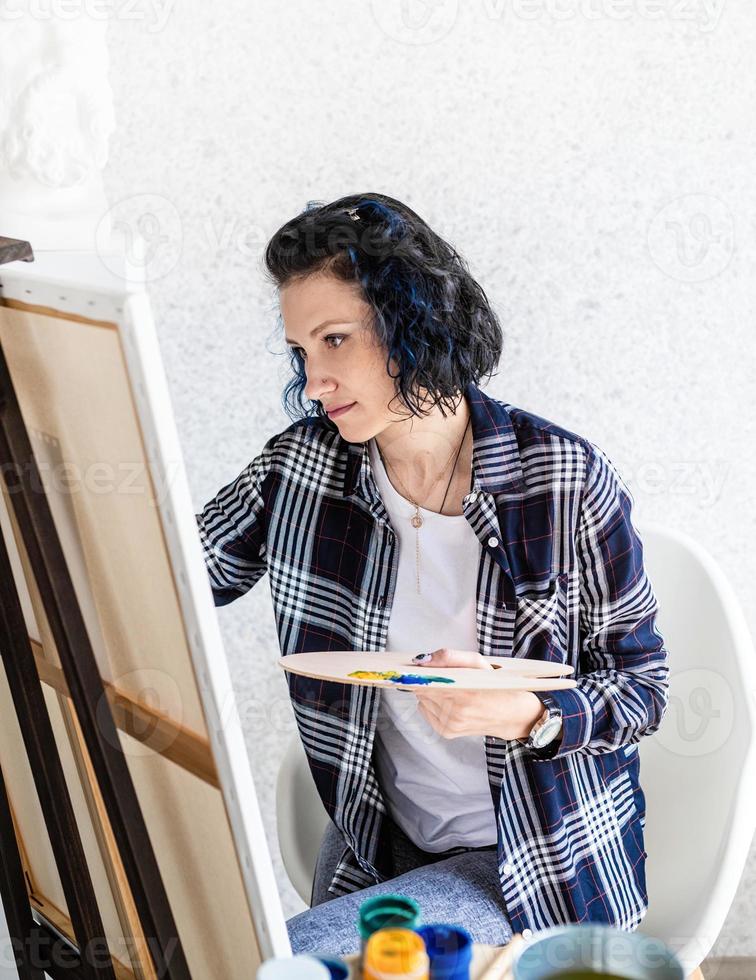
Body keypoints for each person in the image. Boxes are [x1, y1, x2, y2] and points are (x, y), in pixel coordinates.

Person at [195, 193, 670, 957]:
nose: (314, 381)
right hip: (380, 845)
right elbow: (171, 577)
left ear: (413, 323)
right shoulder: (301, 469)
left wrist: (524, 713)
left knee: (279, 965)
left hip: (535, 864)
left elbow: (643, 689)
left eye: (336, 340)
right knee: (212, 939)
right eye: (301, 352)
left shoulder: (562, 480)